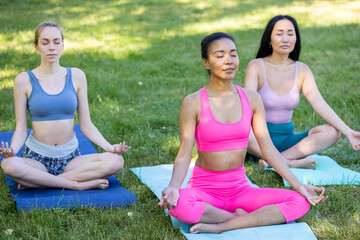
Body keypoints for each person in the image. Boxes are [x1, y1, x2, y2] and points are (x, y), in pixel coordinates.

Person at [158, 32, 327, 234]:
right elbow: (184, 153)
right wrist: (174, 187)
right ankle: (240, 217)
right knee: (179, 205)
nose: (228, 61)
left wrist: (298, 185)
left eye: (233, 54)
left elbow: (268, 148)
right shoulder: (193, 102)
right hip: (205, 189)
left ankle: (223, 225)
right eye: (219, 56)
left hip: (241, 190)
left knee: (299, 201)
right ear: (206, 62)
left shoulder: (252, 98)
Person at [0, 22, 130, 190]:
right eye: (45, 43)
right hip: (36, 158)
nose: (51, 47)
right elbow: (21, 128)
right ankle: (76, 185)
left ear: (63, 45)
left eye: (56, 42)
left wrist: (109, 147)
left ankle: (39, 181)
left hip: (71, 159)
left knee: (116, 161)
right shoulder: (23, 80)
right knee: (9, 165)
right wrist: (12, 150)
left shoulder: (77, 76)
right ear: (36, 46)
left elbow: (86, 124)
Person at [244, 15, 360, 169]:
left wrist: (348, 131)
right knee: (241, 129)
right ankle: (283, 162)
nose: (285, 39)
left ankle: (277, 160)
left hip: (287, 142)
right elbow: (246, 110)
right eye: (279, 34)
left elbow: (319, 104)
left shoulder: (302, 70)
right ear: (269, 39)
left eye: (290, 34)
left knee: (333, 132)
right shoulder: (256, 66)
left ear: (296, 38)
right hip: (258, 140)